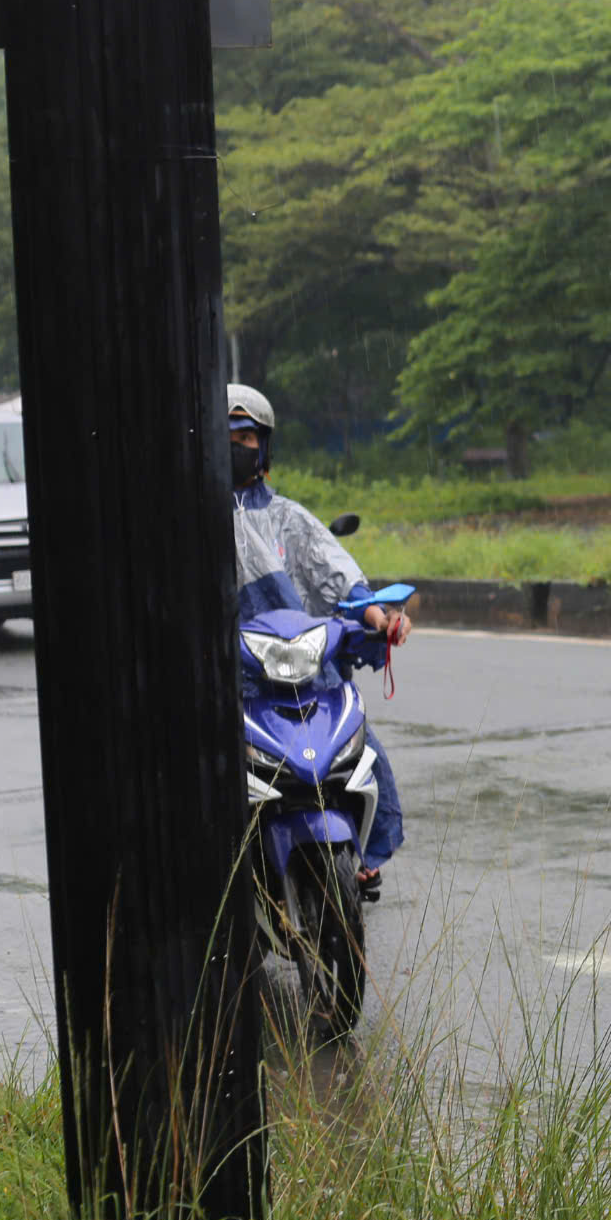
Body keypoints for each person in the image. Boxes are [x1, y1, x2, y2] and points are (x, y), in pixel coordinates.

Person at [229, 385, 413, 898]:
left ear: (263, 447)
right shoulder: (190, 521)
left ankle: (362, 852)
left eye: (245, 435)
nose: (236, 446)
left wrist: (380, 617)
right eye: (225, 437)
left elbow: (341, 578)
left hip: (303, 669)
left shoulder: (290, 518)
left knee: (363, 754)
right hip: (236, 677)